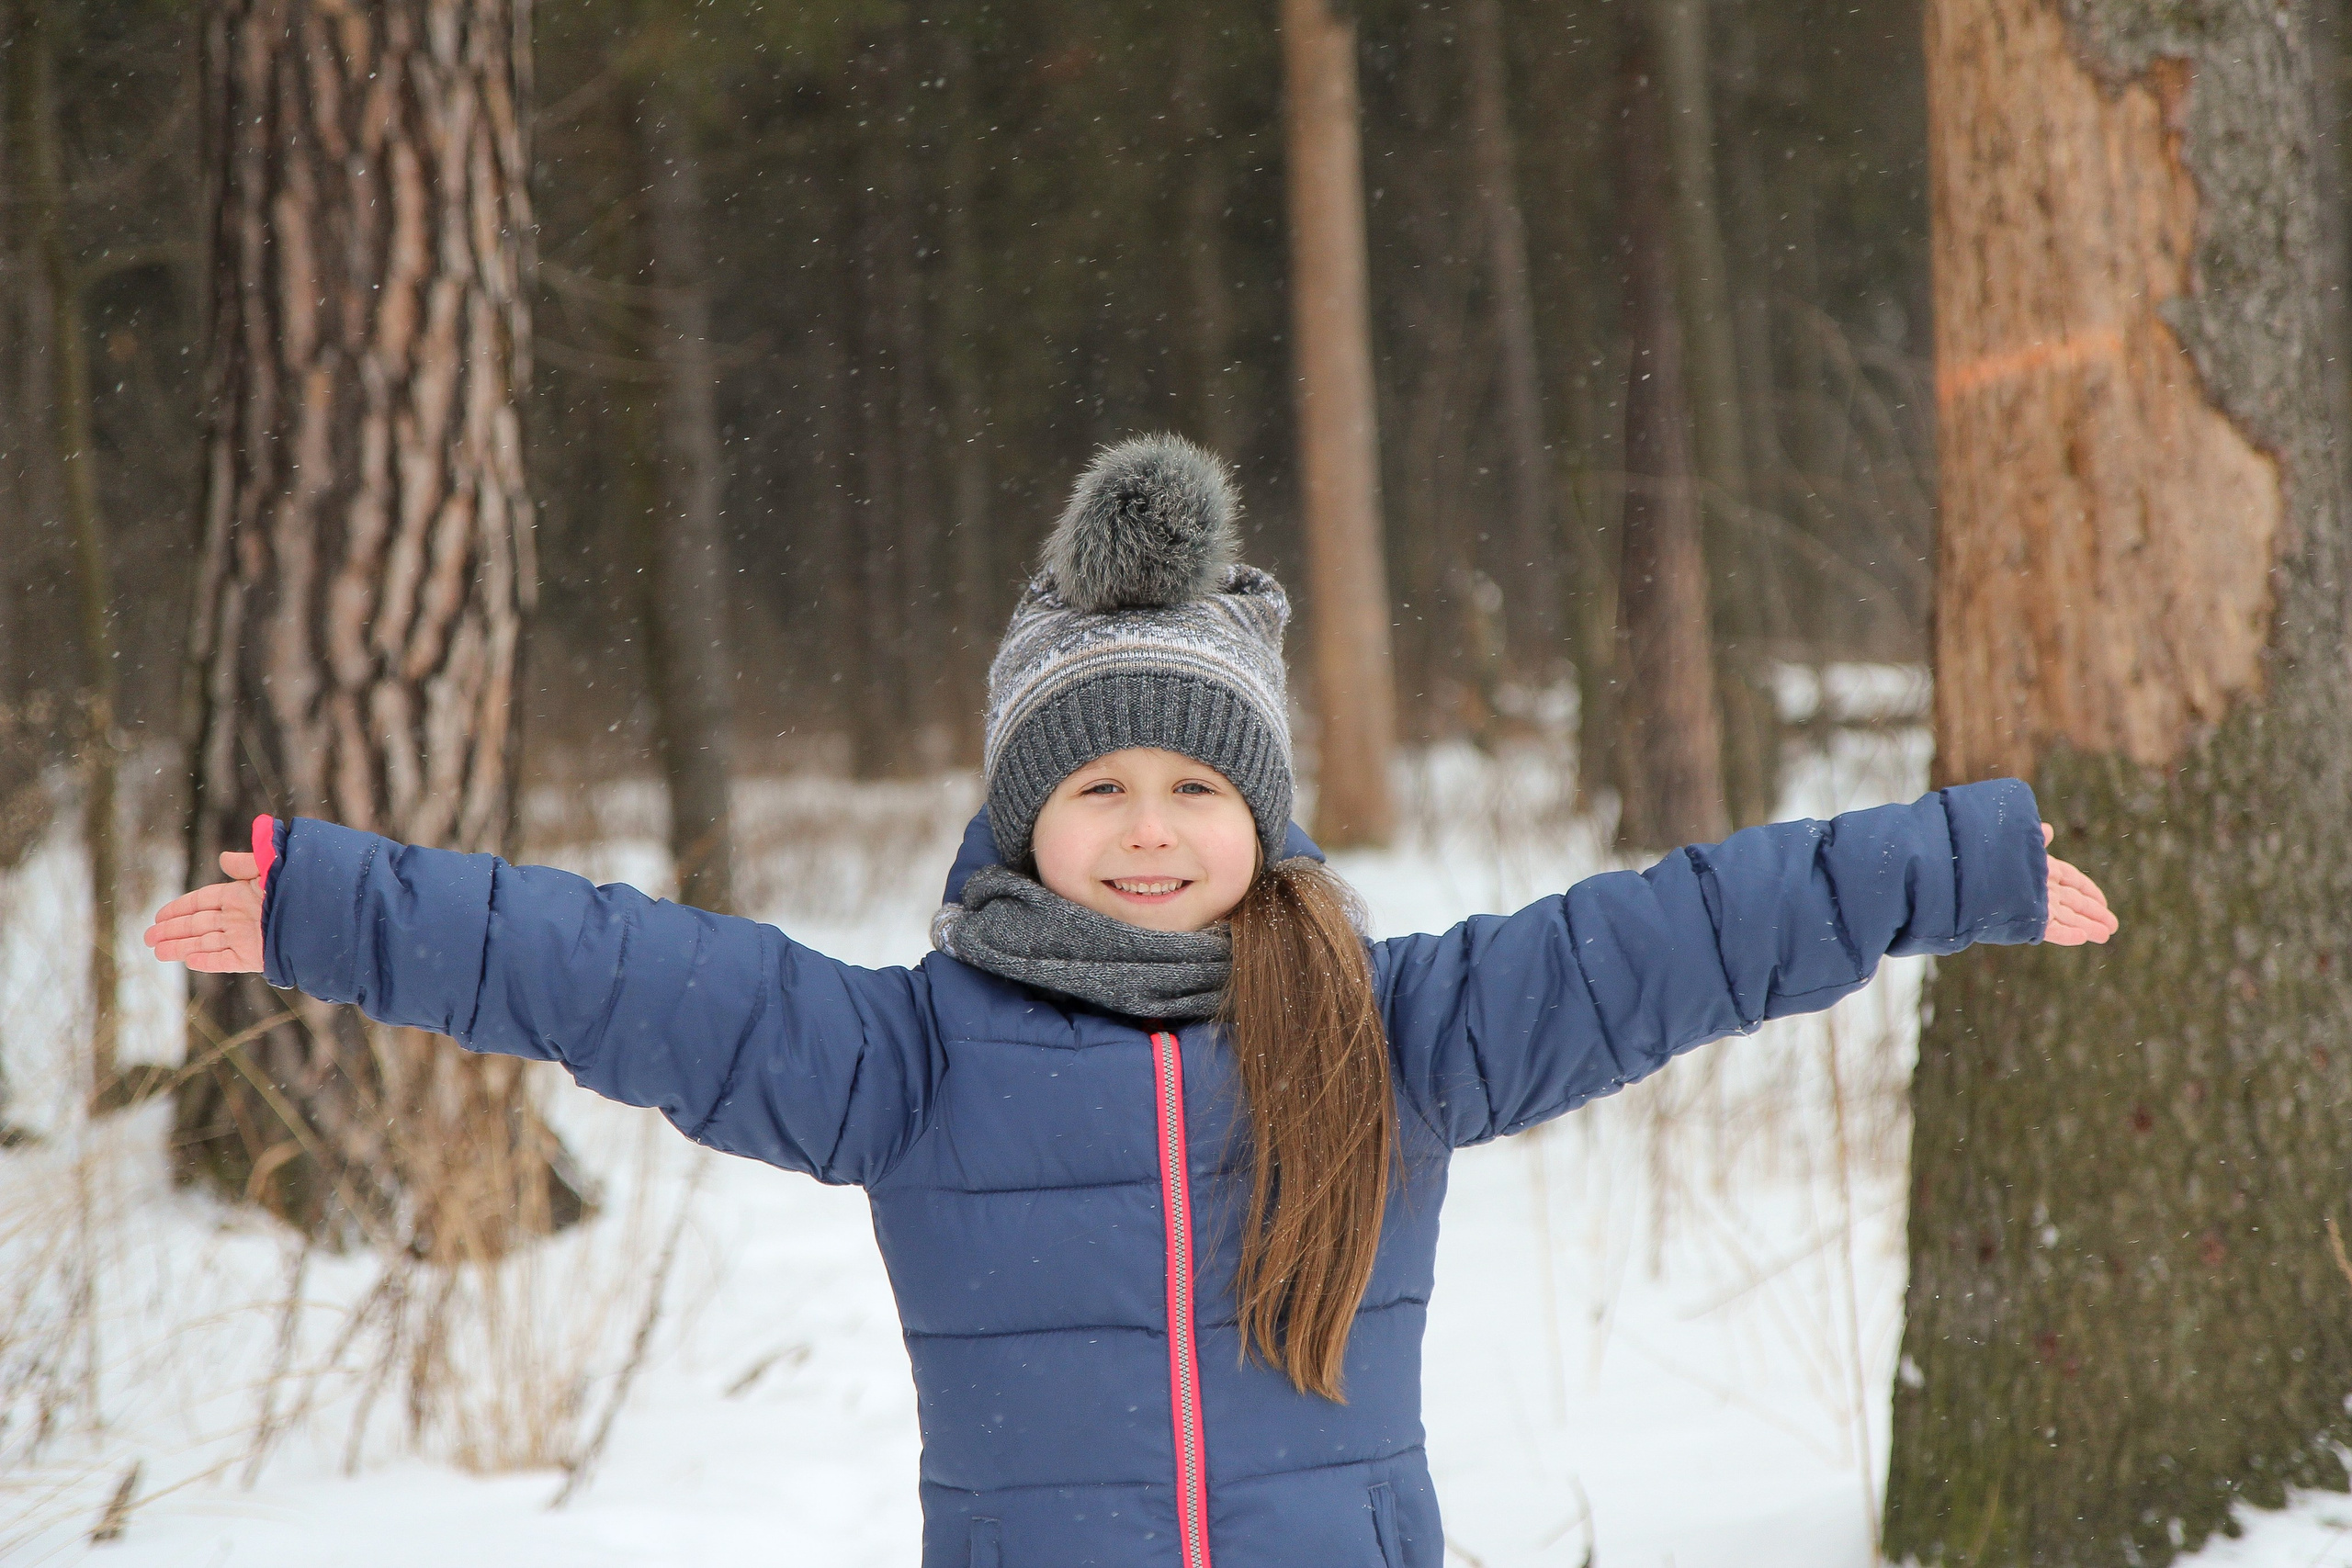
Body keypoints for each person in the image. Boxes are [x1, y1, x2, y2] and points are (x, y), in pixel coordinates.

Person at [145, 435, 2116, 1568]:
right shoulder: (907, 1061)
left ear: (1262, 815)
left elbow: (1663, 936)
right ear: (1024, 819)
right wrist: (334, 905)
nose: (1150, 829)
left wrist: (1932, 867)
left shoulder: (1384, 1029)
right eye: (1096, 785)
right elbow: (618, 972)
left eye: (1195, 787)